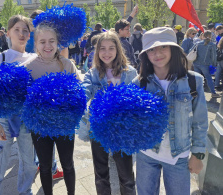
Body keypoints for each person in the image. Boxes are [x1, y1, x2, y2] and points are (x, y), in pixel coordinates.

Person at [133, 27, 208, 195]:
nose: (157, 53)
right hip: (146, 154)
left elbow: (200, 122)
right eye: (151, 49)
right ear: (145, 54)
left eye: (163, 47)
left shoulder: (193, 81)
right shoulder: (139, 83)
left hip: (178, 157)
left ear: (173, 49)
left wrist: (197, 154)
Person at [0, 15, 38, 195]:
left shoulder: (35, 58)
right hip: (4, 118)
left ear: (30, 35)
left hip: (27, 119)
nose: (21, 34)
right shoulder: (1, 58)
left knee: (29, 163)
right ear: (8, 33)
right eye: (17, 30)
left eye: (25, 31)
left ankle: (25, 191)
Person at [24, 23, 80, 195]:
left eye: (51, 41)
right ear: (36, 44)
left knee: (68, 164)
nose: (47, 46)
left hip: (64, 126)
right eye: (42, 42)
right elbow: (24, 99)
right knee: (45, 166)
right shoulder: (28, 67)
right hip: (40, 128)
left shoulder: (67, 65)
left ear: (57, 43)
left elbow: (79, 93)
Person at [82, 31, 137, 195]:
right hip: (98, 127)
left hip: (122, 130)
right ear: (97, 52)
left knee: (126, 174)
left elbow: (137, 98)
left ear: (118, 50)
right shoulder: (92, 73)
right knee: (100, 174)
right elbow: (84, 91)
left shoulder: (130, 72)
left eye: (111, 48)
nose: (106, 53)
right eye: (102, 49)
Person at [25, 9, 64, 180]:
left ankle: (43, 165)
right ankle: (46, 166)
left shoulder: (35, 36)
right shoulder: (30, 58)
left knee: (42, 142)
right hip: (37, 109)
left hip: (51, 112)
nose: (47, 44)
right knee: (41, 141)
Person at [191, 30, 220, 98]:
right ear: (210, 36)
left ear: (203, 36)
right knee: (208, 78)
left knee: (197, 79)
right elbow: (213, 56)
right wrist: (214, 64)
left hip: (196, 63)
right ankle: (213, 93)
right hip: (205, 64)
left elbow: (191, 51)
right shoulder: (212, 44)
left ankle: (195, 93)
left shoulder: (198, 43)